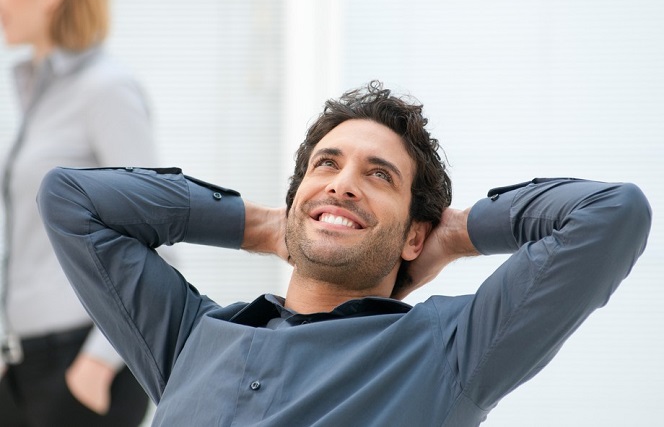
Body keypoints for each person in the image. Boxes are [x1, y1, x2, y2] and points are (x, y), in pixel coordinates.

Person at [37, 81, 650, 426]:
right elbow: (70, 199)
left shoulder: (449, 351)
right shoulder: (190, 338)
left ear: (415, 234)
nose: (342, 182)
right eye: (325, 166)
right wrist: (264, 226)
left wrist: (457, 233)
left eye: (379, 175)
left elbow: (610, 214)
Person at [0, 0, 152, 425]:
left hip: (76, 366)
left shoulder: (106, 90)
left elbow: (155, 238)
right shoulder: (38, 94)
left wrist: (97, 364)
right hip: (25, 365)